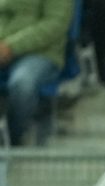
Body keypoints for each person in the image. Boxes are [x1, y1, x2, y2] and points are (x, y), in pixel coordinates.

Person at [0, 0, 73, 146]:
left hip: (41, 53)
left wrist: (11, 46)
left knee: (22, 83)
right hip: (3, 46)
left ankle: (13, 139)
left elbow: (54, 25)